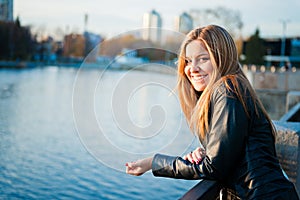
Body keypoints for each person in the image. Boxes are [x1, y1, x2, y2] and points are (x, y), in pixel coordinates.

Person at [125, 25, 299, 199]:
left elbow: (213, 168)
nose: (192, 68)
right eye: (188, 60)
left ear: (222, 58)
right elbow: (229, 152)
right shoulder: (228, 90)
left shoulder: (227, 90)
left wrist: (152, 162)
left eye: (202, 59)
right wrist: (207, 152)